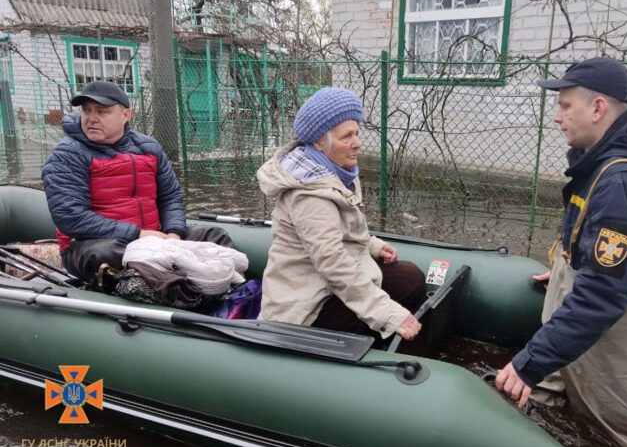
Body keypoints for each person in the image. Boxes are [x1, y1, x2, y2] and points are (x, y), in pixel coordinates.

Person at [495, 57, 627, 447]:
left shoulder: (622, 181)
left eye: (565, 105)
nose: (556, 117)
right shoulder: (612, 158)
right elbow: (616, 254)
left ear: (598, 108)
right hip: (622, 312)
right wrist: (570, 271)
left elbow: (604, 293)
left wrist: (527, 363)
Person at [257, 87, 426, 342]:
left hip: (323, 284)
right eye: (346, 136)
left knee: (410, 278)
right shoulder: (308, 194)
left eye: (357, 133)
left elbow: (342, 231)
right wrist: (387, 313)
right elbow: (332, 262)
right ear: (319, 142)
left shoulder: (338, 172)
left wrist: (372, 245)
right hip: (305, 308)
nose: (357, 142)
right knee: (400, 295)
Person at [42, 80, 232, 283]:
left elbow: (170, 197)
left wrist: (174, 233)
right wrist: (138, 234)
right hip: (93, 244)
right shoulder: (67, 154)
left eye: (102, 111)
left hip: (155, 236)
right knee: (104, 253)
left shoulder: (149, 147)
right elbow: (71, 217)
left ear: (126, 115)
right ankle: (177, 286)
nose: (92, 118)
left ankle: (227, 290)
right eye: (87, 111)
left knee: (214, 235)